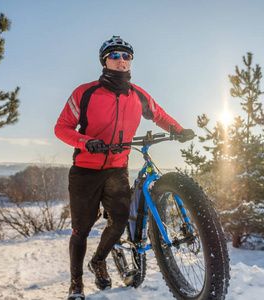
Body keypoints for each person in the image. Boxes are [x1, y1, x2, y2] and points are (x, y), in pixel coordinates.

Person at [54, 36, 194, 300]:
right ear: (104, 60)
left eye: (126, 56)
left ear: (131, 62)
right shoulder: (85, 93)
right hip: (85, 169)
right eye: (115, 55)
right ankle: (76, 284)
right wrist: (87, 142)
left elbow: (158, 114)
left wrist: (177, 129)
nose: (121, 60)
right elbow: (61, 127)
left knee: (118, 222)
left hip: (118, 169)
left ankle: (98, 261)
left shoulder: (137, 95)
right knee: (81, 230)